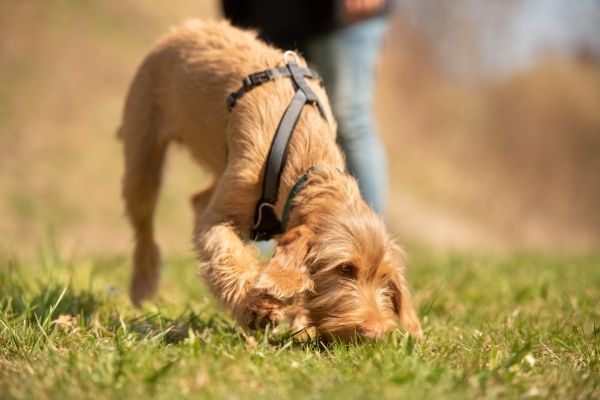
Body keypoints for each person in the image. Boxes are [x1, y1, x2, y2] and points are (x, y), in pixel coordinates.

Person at [222, 0, 391, 214]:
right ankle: (254, 239)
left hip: (342, 19)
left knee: (350, 119)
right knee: (262, 126)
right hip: (265, 14)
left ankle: (369, 241)